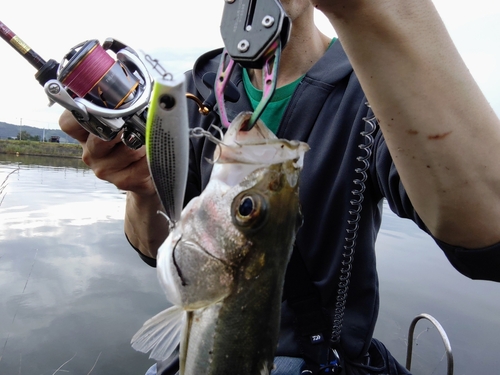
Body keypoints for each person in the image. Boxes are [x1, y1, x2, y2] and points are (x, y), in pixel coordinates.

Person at [59, 0, 500, 374]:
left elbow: (488, 233)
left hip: (318, 358)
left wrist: (369, 11)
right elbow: (156, 250)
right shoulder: (192, 95)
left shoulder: (377, 88)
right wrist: (142, 189)